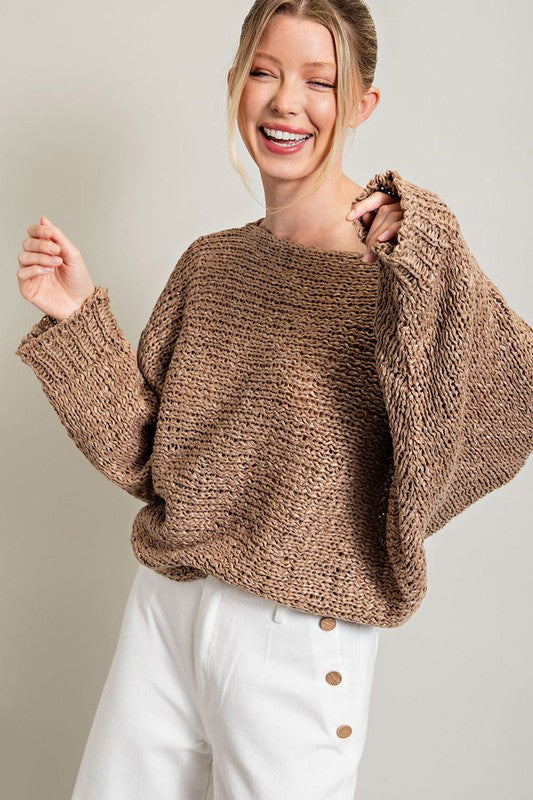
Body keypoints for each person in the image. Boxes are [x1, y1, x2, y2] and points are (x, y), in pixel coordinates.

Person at [14, 1, 532, 799]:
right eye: (264, 71)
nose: (286, 101)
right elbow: (148, 453)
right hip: (166, 607)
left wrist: (420, 242)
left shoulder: (401, 271)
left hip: (294, 634)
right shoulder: (211, 265)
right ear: (234, 85)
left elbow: (511, 394)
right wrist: (78, 318)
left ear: (362, 104)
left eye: (319, 82)